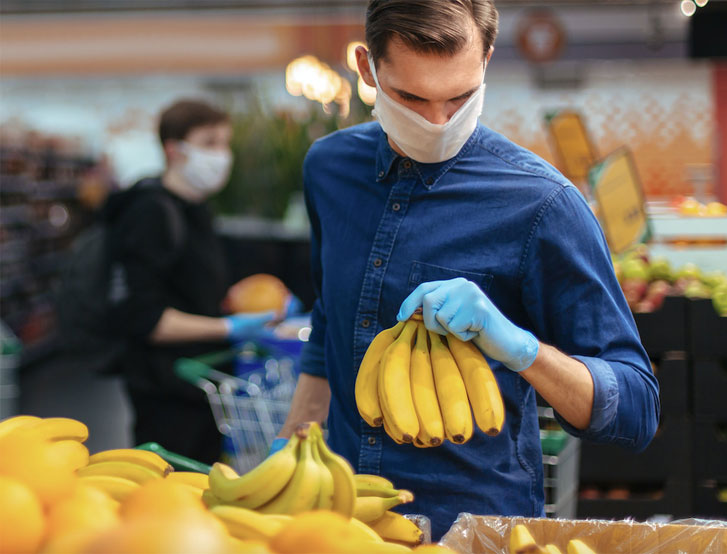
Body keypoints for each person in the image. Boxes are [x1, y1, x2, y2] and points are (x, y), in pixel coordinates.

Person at [277, 0, 660, 538]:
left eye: (459, 98)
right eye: (411, 97)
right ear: (367, 69)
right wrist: (296, 438)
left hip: (472, 528)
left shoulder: (542, 205)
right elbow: (330, 319)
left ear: (486, 61)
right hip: (340, 521)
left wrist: (522, 349)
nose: (437, 122)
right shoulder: (328, 168)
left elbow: (637, 408)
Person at [105, 99, 275, 464]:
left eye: (225, 143)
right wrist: (228, 327)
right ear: (173, 149)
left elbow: (192, 288)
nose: (221, 155)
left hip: (202, 388)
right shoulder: (149, 212)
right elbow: (144, 318)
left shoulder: (197, 210)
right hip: (164, 391)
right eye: (209, 142)